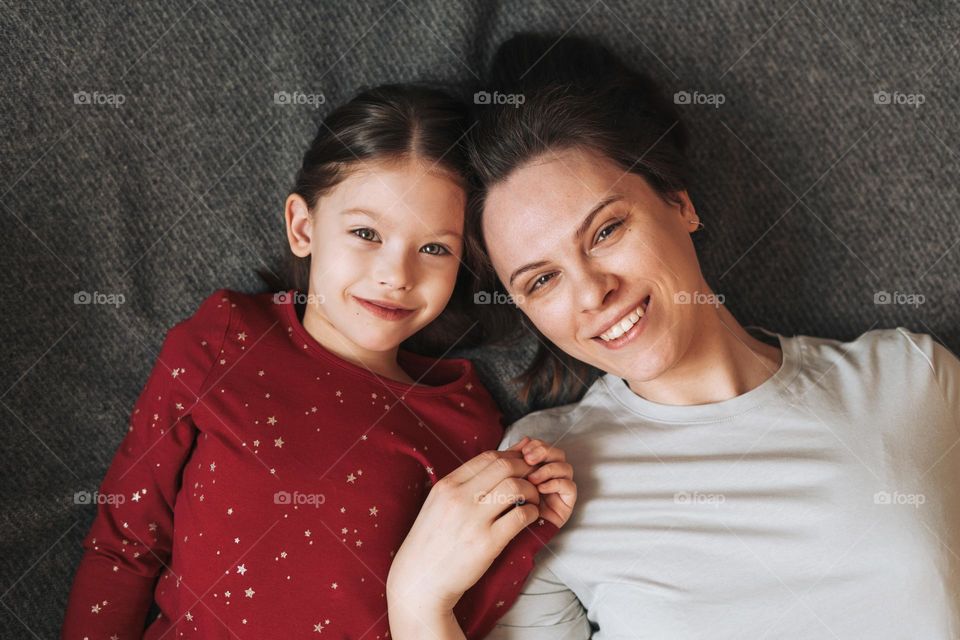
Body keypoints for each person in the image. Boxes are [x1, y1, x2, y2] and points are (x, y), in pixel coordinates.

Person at [391, 34, 960, 638]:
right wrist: (416, 603)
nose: (591, 292)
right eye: (543, 280)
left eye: (606, 231)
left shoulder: (909, 375)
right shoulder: (542, 473)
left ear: (680, 203)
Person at [61, 83, 577, 639]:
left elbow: (449, 611)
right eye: (365, 233)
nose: (396, 274)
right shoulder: (225, 340)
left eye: (434, 248)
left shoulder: (463, 418)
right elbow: (124, 544)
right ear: (303, 228)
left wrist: (530, 524)